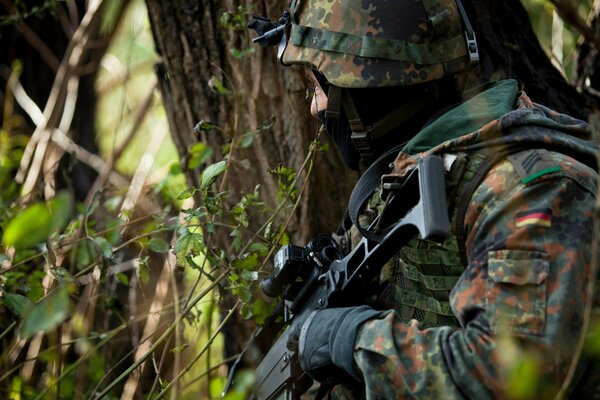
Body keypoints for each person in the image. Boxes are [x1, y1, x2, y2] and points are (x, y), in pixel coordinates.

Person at [250, 0, 599, 398]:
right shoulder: (410, 179)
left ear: (364, 87)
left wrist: (351, 340)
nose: (314, 109)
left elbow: (513, 378)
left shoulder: (532, 189)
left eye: (317, 88)